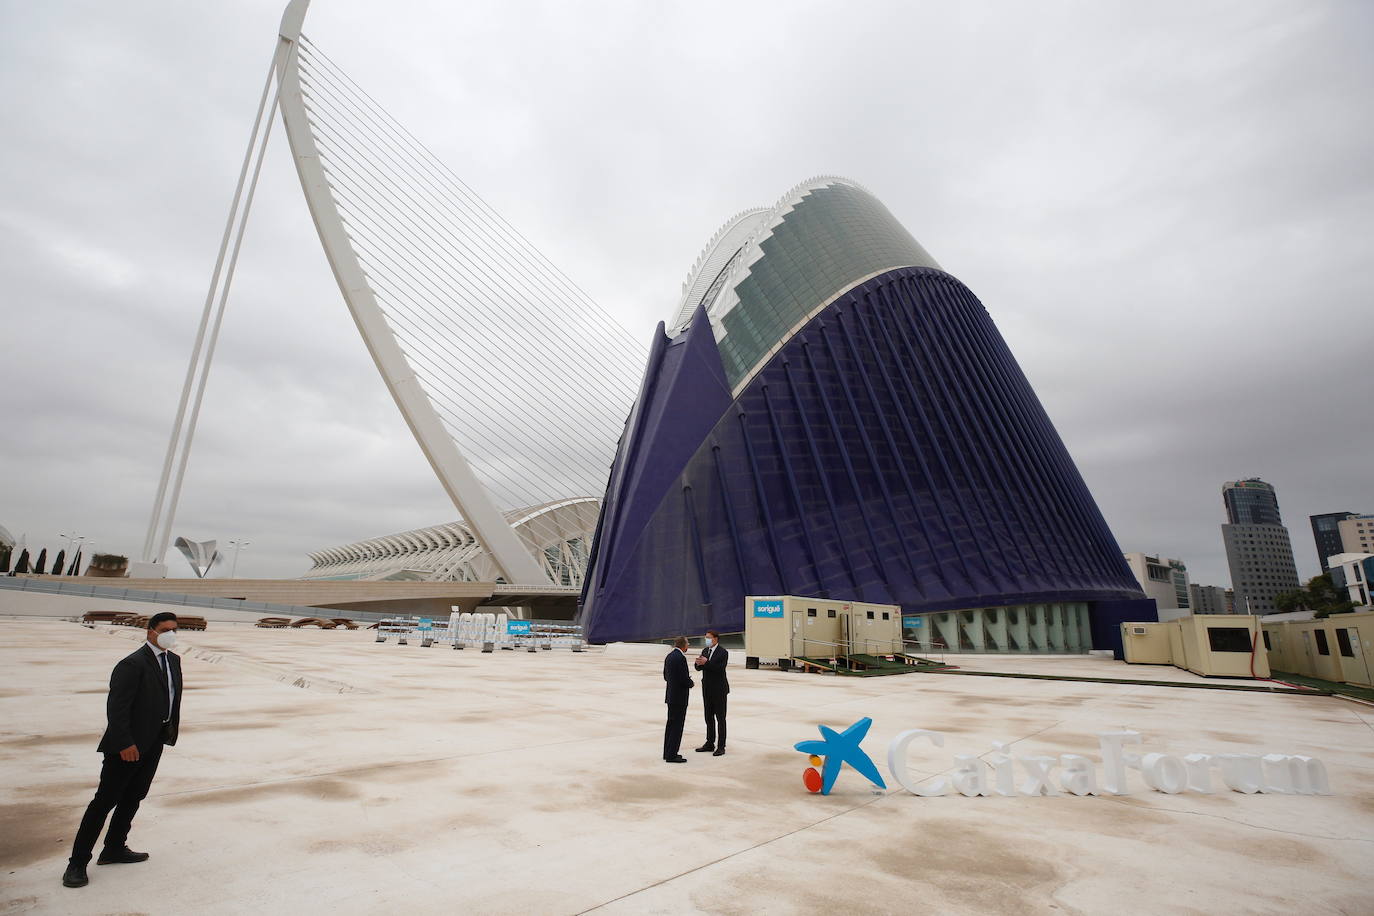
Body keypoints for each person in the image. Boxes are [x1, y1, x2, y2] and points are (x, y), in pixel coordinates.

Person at [64, 612, 183, 889]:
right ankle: (77, 863)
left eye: (175, 630)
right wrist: (124, 743)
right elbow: (116, 710)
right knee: (104, 802)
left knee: (134, 796)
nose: (171, 634)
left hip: (154, 741)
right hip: (128, 745)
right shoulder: (132, 664)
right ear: (150, 631)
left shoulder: (173, 661)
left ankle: (114, 848)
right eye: (166, 629)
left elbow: (169, 698)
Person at [694, 630, 730, 756]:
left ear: (715, 639)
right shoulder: (705, 651)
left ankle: (721, 746)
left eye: (708, 638)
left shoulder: (723, 652)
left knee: (720, 718)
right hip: (707, 689)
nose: (706, 640)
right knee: (708, 717)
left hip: (719, 690)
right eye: (706, 638)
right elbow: (699, 668)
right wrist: (698, 663)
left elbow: (719, 669)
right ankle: (710, 742)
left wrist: (706, 663)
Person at [662, 635, 693, 763]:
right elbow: (684, 679)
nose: (688, 646)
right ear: (683, 645)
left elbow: (665, 676)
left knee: (670, 725)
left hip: (671, 696)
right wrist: (690, 683)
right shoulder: (680, 658)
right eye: (688, 644)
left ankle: (667, 752)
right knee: (677, 727)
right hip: (679, 697)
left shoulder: (669, 656)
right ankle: (672, 755)